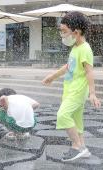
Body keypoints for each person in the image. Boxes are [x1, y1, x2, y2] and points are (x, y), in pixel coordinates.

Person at [42, 11, 101, 162]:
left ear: (76, 32)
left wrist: (92, 93)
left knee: (63, 114)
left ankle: (76, 146)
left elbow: (89, 72)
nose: (62, 35)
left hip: (78, 90)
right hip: (71, 88)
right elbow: (69, 66)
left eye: (64, 32)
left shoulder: (85, 49)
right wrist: (53, 76)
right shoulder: (76, 47)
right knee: (76, 119)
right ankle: (83, 147)